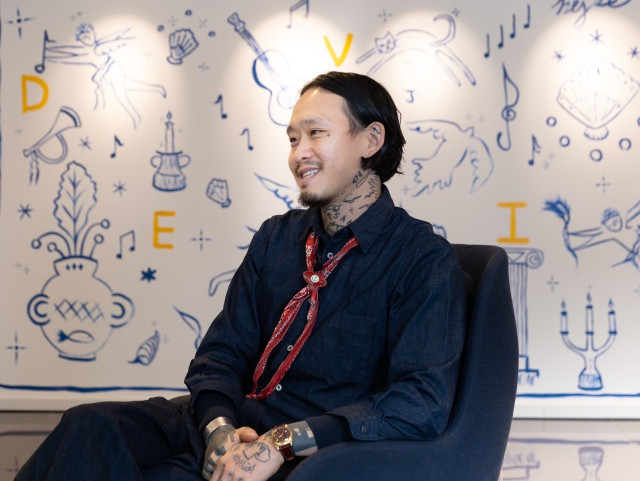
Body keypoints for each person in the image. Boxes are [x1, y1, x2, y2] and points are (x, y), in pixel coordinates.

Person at [16, 71, 466, 481]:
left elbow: (421, 400)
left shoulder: (421, 258)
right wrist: (219, 430)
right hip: (231, 425)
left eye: (316, 133)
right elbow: (221, 354)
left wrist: (281, 443)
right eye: (293, 139)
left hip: (314, 456)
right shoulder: (276, 237)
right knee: (89, 425)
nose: (299, 154)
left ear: (371, 140)